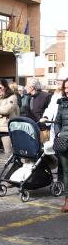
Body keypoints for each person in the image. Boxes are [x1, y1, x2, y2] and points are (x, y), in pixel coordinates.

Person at [50, 79, 68, 213]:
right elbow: (57, 121)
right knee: (66, 173)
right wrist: (57, 133)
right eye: (65, 88)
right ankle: (67, 200)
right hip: (64, 142)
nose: (67, 90)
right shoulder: (62, 103)